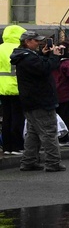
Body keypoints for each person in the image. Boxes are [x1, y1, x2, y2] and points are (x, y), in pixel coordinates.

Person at [10, 31, 66, 172]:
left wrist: (43, 54)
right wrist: (54, 56)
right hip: (40, 100)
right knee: (49, 132)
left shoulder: (24, 57)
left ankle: (29, 161)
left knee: (33, 132)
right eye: (36, 41)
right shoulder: (28, 58)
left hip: (30, 100)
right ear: (28, 41)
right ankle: (53, 162)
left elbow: (39, 66)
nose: (39, 43)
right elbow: (44, 68)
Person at [0, 24, 26, 156]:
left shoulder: (0, 48)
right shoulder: (19, 49)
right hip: (17, 87)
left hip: (2, 88)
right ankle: (17, 146)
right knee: (18, 118)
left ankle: (6, 147)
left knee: (6, 118)